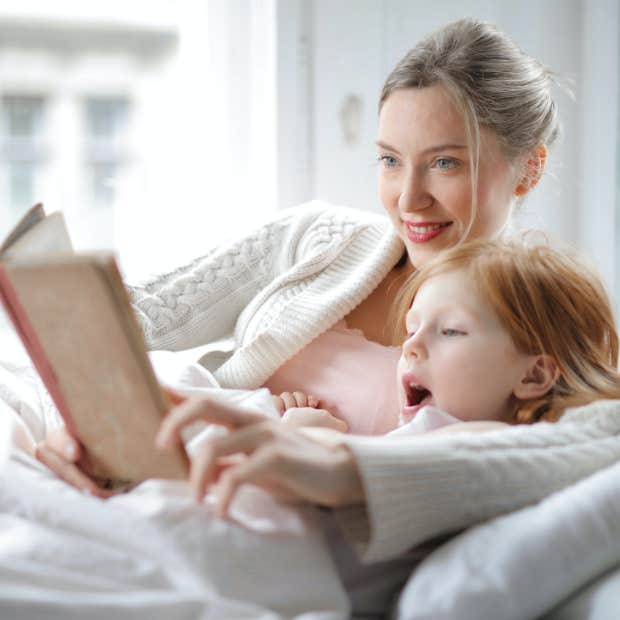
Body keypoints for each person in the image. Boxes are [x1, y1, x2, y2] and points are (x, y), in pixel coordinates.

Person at [33, 18, 620, 585]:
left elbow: (592, 444)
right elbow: (126, 322)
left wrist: (345, 467)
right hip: (169, 479)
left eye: (445, 162)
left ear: (529, 169)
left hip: (270, 540)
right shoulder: (319, 238)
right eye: (390, 161)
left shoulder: (543, 329)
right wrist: (85, 424)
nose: (408, 198)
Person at [155, 238, 620, 615]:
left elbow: (418, 471)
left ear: (534, 375)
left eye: (451, 331)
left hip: (227, 558)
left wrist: (305, 434)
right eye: (411, 330)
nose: (411, 348)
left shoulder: (483, 440)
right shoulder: (433, 438)